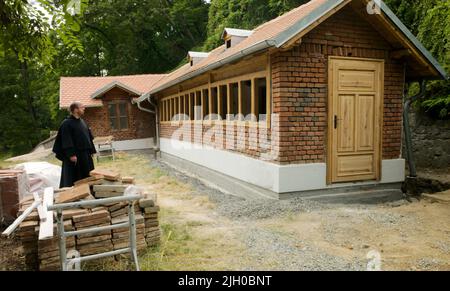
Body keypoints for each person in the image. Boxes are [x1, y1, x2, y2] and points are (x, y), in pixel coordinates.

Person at [53, 102, 97, 188]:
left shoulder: (82, 122)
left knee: (87, 176)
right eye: (81, 107)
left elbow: (88, 137)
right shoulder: (66, 123)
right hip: (75, 157)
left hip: (85, 155)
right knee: (74, 179)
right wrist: (71, 154)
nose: (84, 108)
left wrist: (91, 151)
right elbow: (66, 140)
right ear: (75, 109)